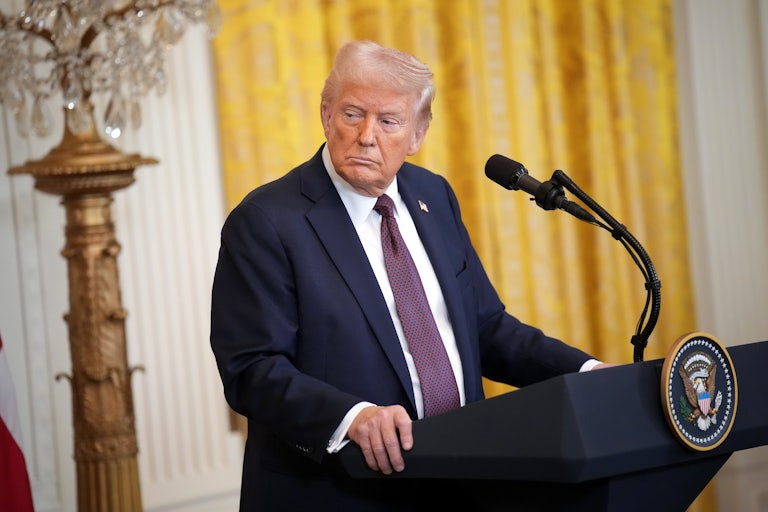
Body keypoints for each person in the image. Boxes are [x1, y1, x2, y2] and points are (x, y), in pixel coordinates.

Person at [210, 40, 613, 511]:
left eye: (388, 121)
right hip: (337, 490)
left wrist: (587, 374)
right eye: (352, 114)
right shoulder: (267, 221)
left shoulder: (433, 195)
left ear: (417, 135)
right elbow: (252, 367)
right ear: (326, 114)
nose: (366, 136)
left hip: (461, 479)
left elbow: (484, 328)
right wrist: (352, 416)